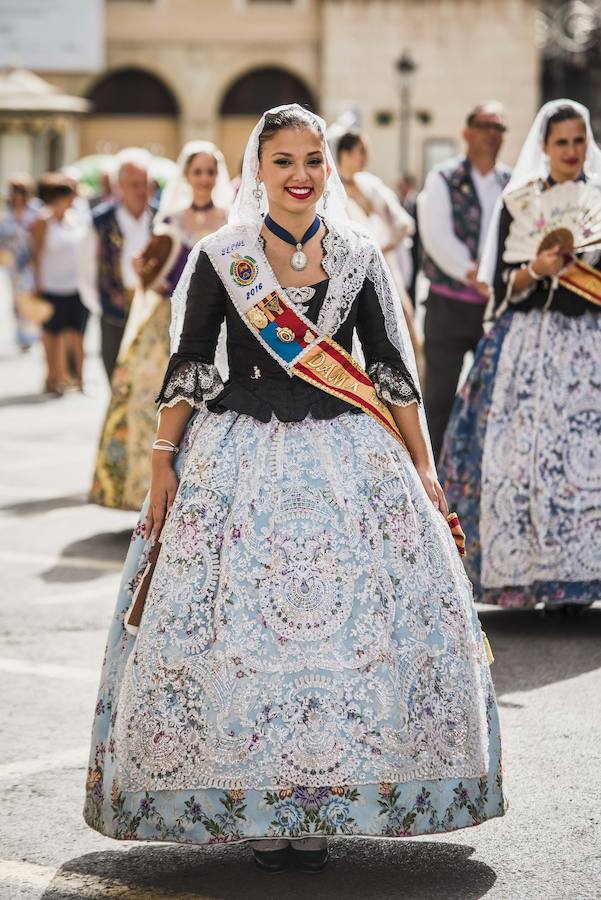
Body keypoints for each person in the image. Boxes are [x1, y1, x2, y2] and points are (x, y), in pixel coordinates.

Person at [84, 105, 504, 873]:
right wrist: (160, 461)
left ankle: (326, 795)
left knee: (345, 638)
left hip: (347, 455)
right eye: (283, 161)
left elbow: (388, 369)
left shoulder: (357, 253)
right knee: (243, 632)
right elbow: (190, 362)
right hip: (237, 454)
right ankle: (254, 800)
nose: (301, 175)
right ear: (259, 170)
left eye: (313, 159)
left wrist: (422, 469)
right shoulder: (223, 255)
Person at [439, 99, 601, 612]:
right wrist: (538, 266)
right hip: (527, 343)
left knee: (585, 457)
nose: (571, 151)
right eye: (561, 142)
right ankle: (530, 577)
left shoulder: (598, 198)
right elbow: (506, 285)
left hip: (589, 340)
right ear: (544, 148)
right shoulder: (522, 203)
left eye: (579, 140)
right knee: (518, 457)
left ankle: (581, 577)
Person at [90, 142, 232, 510]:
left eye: (210, 171)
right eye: (197, 171)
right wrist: (144, 272)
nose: (203, 179)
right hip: (169, 320)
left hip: (219, 325)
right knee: (150, 397)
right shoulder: (170, 222)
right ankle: (145, 494)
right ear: (187, 176)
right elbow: (155, 280)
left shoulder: (233, 223)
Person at [418, 102, 511, 461]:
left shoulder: (510, 181)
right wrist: (478, 276)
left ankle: (483, 473)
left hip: (496, 309)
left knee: (495, 397)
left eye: (499, 127)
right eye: (485, 125)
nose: (493, 133)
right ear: (466, 132)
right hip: (448, 307)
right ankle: (433, 479)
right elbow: (438, 238)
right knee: (439, 398)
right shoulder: (443, 177)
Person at [92, 148, 157, 381]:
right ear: (119, 185)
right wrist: (100, 304)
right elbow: (86, 270)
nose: (141, 191)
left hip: (153, 309)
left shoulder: (161, 217)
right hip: (114, 310)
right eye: (134, 184)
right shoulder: (100, 220)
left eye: (145, 183)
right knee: (114, 372)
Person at [30, 173, 90, 394]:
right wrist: (37, 285)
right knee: (51, 336)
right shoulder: (43, 221)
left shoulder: (75, 218)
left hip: (76, 286)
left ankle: (79, 380)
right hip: (51, 286)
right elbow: (36, 255)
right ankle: (53, 378)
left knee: (77, 334)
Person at [0, 175, 39, 351]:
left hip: (31, 262)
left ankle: (32, 333)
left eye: (20, 192)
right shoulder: (6, 215)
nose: (17, 196)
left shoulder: (35, 211)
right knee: (16, 300)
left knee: (30, 296)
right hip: (13, 264)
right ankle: (22, 336)